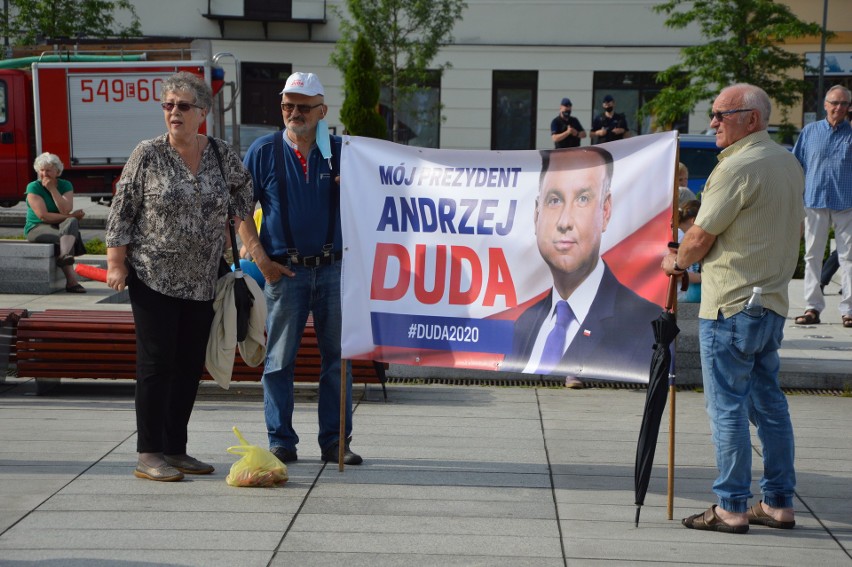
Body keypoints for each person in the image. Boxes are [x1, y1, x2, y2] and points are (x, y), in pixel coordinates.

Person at [663, 83, 804, 534]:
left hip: (730, 305)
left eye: (723, 114)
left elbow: (699, 238)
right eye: (715, 113)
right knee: (770, 406)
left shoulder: (738, 166)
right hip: (773, 303)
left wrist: (676, 260)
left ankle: (730, 506)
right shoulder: (787, 161)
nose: (714, 122)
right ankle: (779, 503)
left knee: (727, 407)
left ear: (753, 119)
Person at [105, 71, 254, 482]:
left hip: (203, 278)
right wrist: (115, 263)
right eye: (168, 105)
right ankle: (149, 453)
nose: (174, 112)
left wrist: (241, 228)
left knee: (189, 365)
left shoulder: (222, 154)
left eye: (183, 106)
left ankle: (176, 447)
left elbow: (244, 192)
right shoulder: (148, 154)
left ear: (202, 113)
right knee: (156, 364)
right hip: (153, 276)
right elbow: (123, 209)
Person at [239, 71, 363, 466]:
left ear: (322, 110)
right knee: (278, 362)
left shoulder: (344, 151)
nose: (294, 112)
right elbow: (240, 209)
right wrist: (261, 259)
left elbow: (379, 201)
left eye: (303, 106)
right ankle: (281, 442)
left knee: (338, 362)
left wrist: (356, 187)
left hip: (335, 270)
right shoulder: (263, 151)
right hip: (285, 271)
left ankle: (335, 443)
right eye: (288, 105)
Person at [502, 146, 660, 383]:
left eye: (583, 199)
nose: (565, 222)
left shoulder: (645, 325)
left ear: (605, 211)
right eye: (554, 200)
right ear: (537, 214)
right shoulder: (524, 323)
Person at [792, 85, 852, 329]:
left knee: (849, 258)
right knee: (812, 256)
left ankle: (849, 310)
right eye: (834, 103)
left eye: (844, 104)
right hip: (814, 201)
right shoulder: (810, 131)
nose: (839, 107)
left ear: (849, 107)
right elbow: (797, 165)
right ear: (825, 105)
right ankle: (812, 307)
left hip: (846, 202)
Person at [24, 152, 87, 293]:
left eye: (48, 170)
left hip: (58, 226)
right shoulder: (33, 187)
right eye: (41, 170)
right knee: (65, 237)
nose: (44, 174)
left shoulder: (65, 185)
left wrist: (52, 189)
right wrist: (70, 215)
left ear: (57, 172)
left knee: (70, 223)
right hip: (36, 228)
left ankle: (64, 256)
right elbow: (43, 216)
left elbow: (65, 209)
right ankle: (71, 280)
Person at [676, 199, 701, 303]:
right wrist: (704, 278)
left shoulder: (680, 234)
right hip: (682, 293)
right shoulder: (681, 236)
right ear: (694, 221)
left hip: (683, 292)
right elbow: (677, 273)